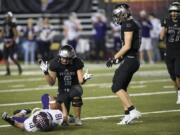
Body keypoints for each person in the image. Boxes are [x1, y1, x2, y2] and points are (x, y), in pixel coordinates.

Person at [39, 45, 92, 126]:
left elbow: (80, 81)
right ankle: (69, 118)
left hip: (74, 88)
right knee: (60, 115)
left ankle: (77, 119)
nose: (64, 60)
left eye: (67, 58)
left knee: (76, 94)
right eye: (63, 57)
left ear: (72, 58)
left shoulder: (77, 62)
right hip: (62, 91)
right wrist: (46, 73)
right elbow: (51, 83)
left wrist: (84, 79)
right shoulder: (54, 63)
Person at [106, 3, 141, 125]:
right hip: (130, 59)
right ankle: (127, 115)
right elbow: (129, 48)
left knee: (116, 87)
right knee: (121, 87)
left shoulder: (128, 24)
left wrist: (113, 57)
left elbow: (127, 46)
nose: (116, 18)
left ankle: (132, 111)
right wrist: (119, 59)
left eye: (118, 15)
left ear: (123, 14)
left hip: (131, 59)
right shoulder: (130, 23)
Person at [1, 93, 68, 132]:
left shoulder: (32, 124)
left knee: (13, 117)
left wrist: (8, 119)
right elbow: (65, 117)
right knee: (45, 96)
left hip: (36, 116)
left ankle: (23, 111)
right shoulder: (55, 115)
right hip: (46, 111)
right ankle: (24, 112)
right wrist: (61, 102)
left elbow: (20, 125)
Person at [160, 2, 180, 104]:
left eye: (175, 11)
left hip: (179, 51)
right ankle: (178, 92)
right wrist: (164, 29)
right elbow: (161, 37)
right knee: (172, 75)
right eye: (172, 11)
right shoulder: (166, 21)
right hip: (169, 51)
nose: (173, 13)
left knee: (178, 73)